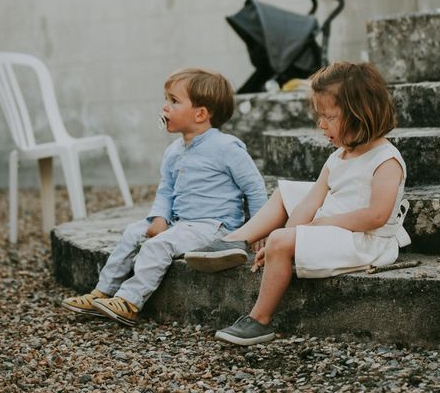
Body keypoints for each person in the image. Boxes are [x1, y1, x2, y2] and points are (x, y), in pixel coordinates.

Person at [184, 61, 411, 345]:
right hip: (333, 223)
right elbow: (311, 201)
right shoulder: (338, 156)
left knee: (280, 240)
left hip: (362, 239)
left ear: (361, 114)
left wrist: (298, 234)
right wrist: (289, 235)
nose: (321, 124)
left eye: (329, 117)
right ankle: (235, 241)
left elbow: (377, 216)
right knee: (286, 193)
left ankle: (260, 320)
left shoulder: (385, 160)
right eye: (320, 116)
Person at [62, 68, 267, 326]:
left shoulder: (227, 148)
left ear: (201, 114)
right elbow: (166, 189)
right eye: (166, 100)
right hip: (180, 222)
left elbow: (255, 188)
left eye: (174, 101)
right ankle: (102, 291)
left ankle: (130, 301)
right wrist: (159, 217)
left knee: (159, 245)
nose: (165, 107)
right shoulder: (174, 151)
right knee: (131, 234)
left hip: (213, 226)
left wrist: (259, 230)